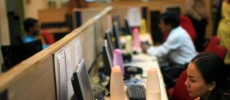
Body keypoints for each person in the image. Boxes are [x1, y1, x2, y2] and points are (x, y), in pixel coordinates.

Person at [217, 0, 230, 65]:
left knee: (223, 51)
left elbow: (218, 16)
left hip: (222, 28)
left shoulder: (222, 2)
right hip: (226, 30)